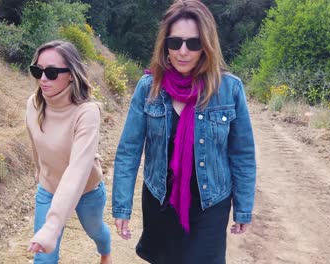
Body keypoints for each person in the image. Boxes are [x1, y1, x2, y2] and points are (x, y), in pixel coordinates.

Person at [112, 0, 256, 263]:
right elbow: (129, 151)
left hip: (211, 203)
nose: (183, 51)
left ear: (207, 45)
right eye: (175, 42)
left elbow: (242, 154)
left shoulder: (229, 89)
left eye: (193, 43)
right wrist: (122, 206)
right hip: (160, 200)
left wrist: (243, 208)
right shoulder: (149, 88)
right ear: (165, 44)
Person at [25, 40, 111, 264]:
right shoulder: (33, 105)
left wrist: (53, 226)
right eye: (38, 70)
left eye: (52, 72)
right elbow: (36, 146)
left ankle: (106, 252)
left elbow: (77, 170)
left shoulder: (87, 113)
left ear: (71, 74)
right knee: (43, 259)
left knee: (96, 232)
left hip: (86, 190)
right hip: (49, 189)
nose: (42, 79)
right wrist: (40, 176)